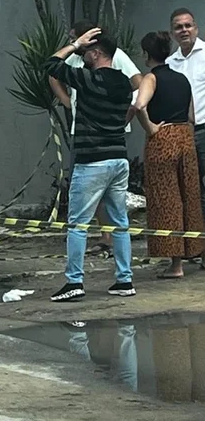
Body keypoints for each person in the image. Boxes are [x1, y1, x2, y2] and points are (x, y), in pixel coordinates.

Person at [43, 27, 136, 302]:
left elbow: (50, 65)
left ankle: (74, 282)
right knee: (120, 222)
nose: (83, 56)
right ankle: (124, 279)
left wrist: (74, 44)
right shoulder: (123, 82)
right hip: (119, 158)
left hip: (91, 161)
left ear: (96, 53)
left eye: (86, 52)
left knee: (78, 224)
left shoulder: (88, 79)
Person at [128, 31, 203, 278]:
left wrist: (149, 128)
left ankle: (176, 265)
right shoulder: (182, 79)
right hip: (185, 136)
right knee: (189, 196)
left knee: (166, 199)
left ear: (146, 54)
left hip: (163, 138)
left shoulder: (151, 78)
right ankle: (195, 249)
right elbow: (192, 116)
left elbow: (139, 105)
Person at [166, 8, 205, 240]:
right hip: (181, 133)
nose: (184, 30)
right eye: (179, 27)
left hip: (204, 129)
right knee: (190, 190)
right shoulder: (171, 63)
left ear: (196, 27)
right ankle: (199, 247)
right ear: (172, 33)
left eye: (187, 25)